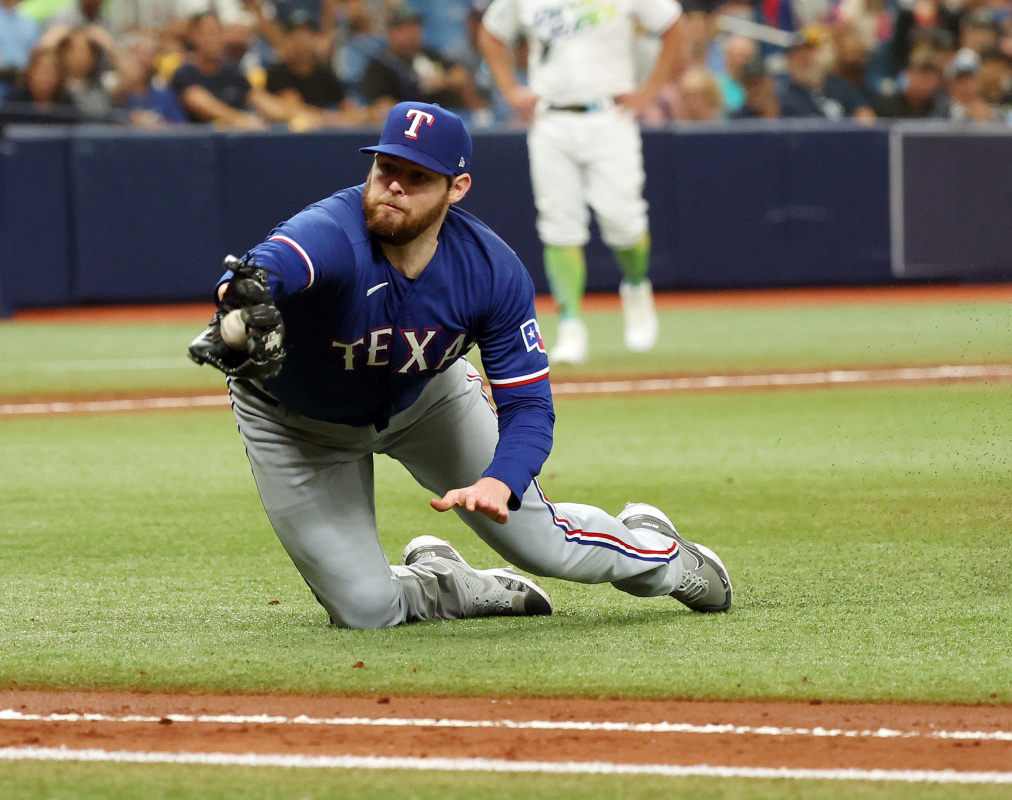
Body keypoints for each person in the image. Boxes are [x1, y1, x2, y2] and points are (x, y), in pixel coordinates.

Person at [186, 102, 732, 629]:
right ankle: (446, 583)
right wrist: (239, 300)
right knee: (366, 610)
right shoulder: (331, 229)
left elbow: (529, 406)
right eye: (386, 167)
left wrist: (501, 479)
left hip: (430, 402)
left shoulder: (491, 271)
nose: (394, 185)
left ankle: (663, 555)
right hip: (293, 423)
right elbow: (263, 269)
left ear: (457, 188)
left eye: (417, 176)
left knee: (543, 545)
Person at [477, 0, 687, 362]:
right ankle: (570, 324)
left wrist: (650, 89)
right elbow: (491, 33)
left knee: (624, 221)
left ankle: (636, 287)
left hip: (610, 114)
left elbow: (674, 26)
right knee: (559, 224)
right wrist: (511, 90)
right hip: (551, 119)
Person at [359, 5, 484, 116]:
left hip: (445, 118)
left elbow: (461, 75)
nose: (412, 33)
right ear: (391, 32)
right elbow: (380, 105)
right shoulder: (380, 64)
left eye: (415, 26)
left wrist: (442, 80)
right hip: (408, 127)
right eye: (404, 27)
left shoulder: (428, 54)